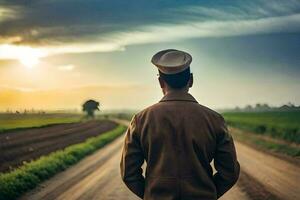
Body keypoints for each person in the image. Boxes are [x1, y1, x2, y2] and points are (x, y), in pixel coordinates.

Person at [120, 49, 240, 200]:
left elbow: (128, 174)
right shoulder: (215, 119)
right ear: (190, 80)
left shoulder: (140, 120)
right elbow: (230, 172)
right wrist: (209, 193)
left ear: (160, 82)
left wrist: (151, 195)